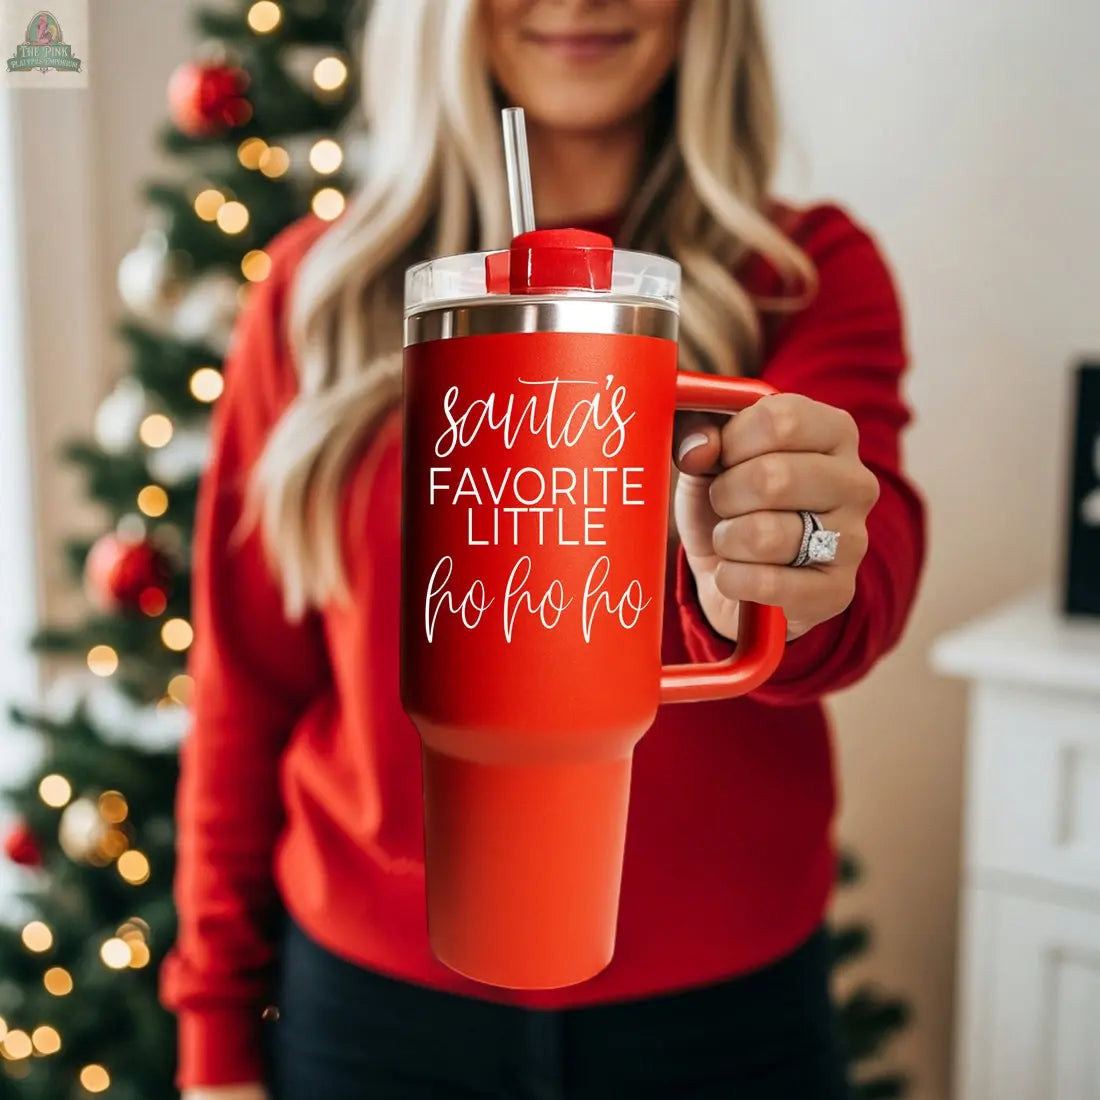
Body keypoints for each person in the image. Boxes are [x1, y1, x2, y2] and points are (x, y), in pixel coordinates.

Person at [161, 1, 926, 1097]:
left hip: (719, 1021)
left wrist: (791, 572)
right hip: (369, 1016)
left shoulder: (801, 275)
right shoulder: (313, 293)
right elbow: (244, 689)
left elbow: (866, 561)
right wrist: (214, 1035)